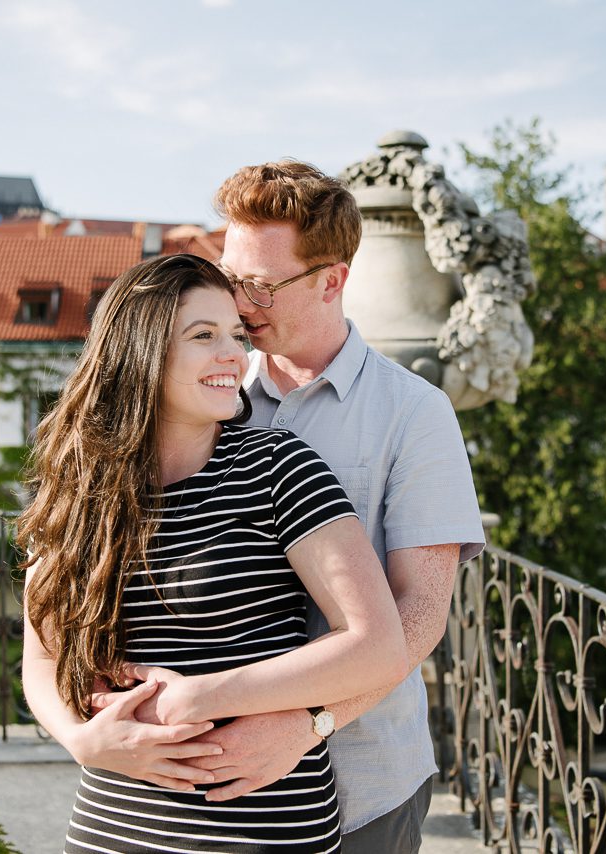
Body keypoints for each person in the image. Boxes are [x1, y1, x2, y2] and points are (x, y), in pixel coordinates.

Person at [19, 253, 407, 853]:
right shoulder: (79, 489)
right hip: (111, 828)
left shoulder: (280, 469)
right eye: (203, 336)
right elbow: (42, 659)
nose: (235, 354)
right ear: (139, 351)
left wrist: (203, 696)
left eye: (237, 335)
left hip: (264, 833)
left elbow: (377, 645)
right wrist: (78, 738)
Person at [173, 160, 486, 852]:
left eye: (257, 285)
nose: (238, 303)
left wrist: (308, 722)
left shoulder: (416, 413)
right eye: (229, 278)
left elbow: (423, 612)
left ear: (332, 281)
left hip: (361, 781)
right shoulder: (203, 392)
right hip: (211, 789)